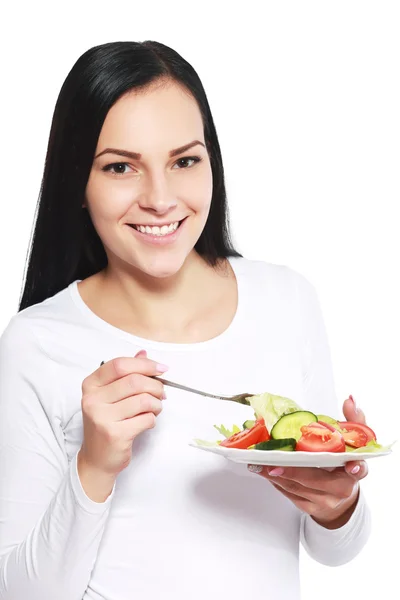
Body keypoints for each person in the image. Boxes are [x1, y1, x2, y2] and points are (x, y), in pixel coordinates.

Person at [0, 40, 371, 600]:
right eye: (121, 167)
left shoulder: (287, 301)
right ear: (78, 182)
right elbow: (25, 592)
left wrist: (340, 504)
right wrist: (94, 466)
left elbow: (334, 551)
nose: (160, 198)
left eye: (184, 161)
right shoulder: (38, 341)